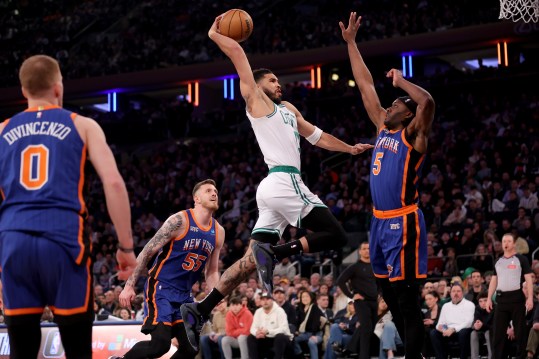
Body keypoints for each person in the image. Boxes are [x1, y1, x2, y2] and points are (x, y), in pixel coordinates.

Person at [180, 12, 373, 351]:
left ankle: (199, 309)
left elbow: (318, 136)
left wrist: (350, 148)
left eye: (278, 81)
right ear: (259, 84)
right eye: (272, 80)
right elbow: (239, 55)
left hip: (272, 190)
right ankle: (278, 251)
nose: (278, 84)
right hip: (284, 181)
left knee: (246, 264)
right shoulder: (256, 100)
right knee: (337, 235)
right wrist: (215, 35)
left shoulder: (290, 110)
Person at [0, 54, 137, 359]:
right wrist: (126, 248)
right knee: (76, 348)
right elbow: (113, 184)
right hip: (64, 240)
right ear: (59, 87)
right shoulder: (82, 125)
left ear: (24, 91)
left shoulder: (1, 130)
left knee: (22, 350)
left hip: (13, 242)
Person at [340, 12, 436, 359]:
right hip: (378, 222)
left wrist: (402, 82)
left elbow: (427, 102)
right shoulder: (383, 128)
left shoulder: (414, 136)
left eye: (395, 105)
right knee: (391, 298)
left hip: (404, 221)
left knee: (408, 303)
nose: (389, 105)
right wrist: (351, 43)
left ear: (406, 115)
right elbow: (365, 84)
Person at [112, 179, 225, 359]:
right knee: (160, 345)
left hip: (185, 295)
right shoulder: (179, 220)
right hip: (161, 287)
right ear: (196, 198)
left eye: (216, 191)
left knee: (191, 348)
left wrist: (215, 293)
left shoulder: (218, 231)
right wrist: (129, 285)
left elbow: (211, 271)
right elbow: (148, 251)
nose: (214, 194)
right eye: (209, 191)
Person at [486, 233, 534, 359]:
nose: (506, 244)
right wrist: (489, 298)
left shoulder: (521, 259)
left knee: (520, 333)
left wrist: (529, 298)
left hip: (517, 298)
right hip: (501, 300)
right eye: (504, 241)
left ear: (513, 244)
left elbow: (528, 279)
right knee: (498, 334)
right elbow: (494, 280)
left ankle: (521, 357)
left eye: (508, 241)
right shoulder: (498, 261)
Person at [336, 241, 378, 359]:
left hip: (375, 301)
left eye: (369, 248)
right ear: (360, 251)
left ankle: (349, 349)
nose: (366, 251)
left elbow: (380, 283)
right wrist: (351, 295)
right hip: (361, 302)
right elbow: (340, 280)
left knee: (370, 329)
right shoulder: (355, 267)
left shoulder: (375, 266)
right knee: (366, 329)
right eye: (364, 249)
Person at [429, 283, 475, 359]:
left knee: (463, 333)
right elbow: (440, 323)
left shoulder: (469, 304)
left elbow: (469, 322)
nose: (456, 293)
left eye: (458, 291)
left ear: (462, 293)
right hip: (448, 331)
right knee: (434, 333)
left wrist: (453, 329)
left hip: (462, 331)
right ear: (450, 293)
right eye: (453, 291)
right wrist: (444, 329)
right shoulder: (446, 306)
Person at [247, 292, 293, 359]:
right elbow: (253, 328)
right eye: (263, 299)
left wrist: (268, 331)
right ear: (260, 301)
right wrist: (257, 333)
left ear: (272, 300)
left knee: (280, 336)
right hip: (265, 338)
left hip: (282, 339)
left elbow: (283, 329)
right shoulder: (258, 311)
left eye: (267, 299)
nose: (265, 301)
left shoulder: (280, 311)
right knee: (251, 337)